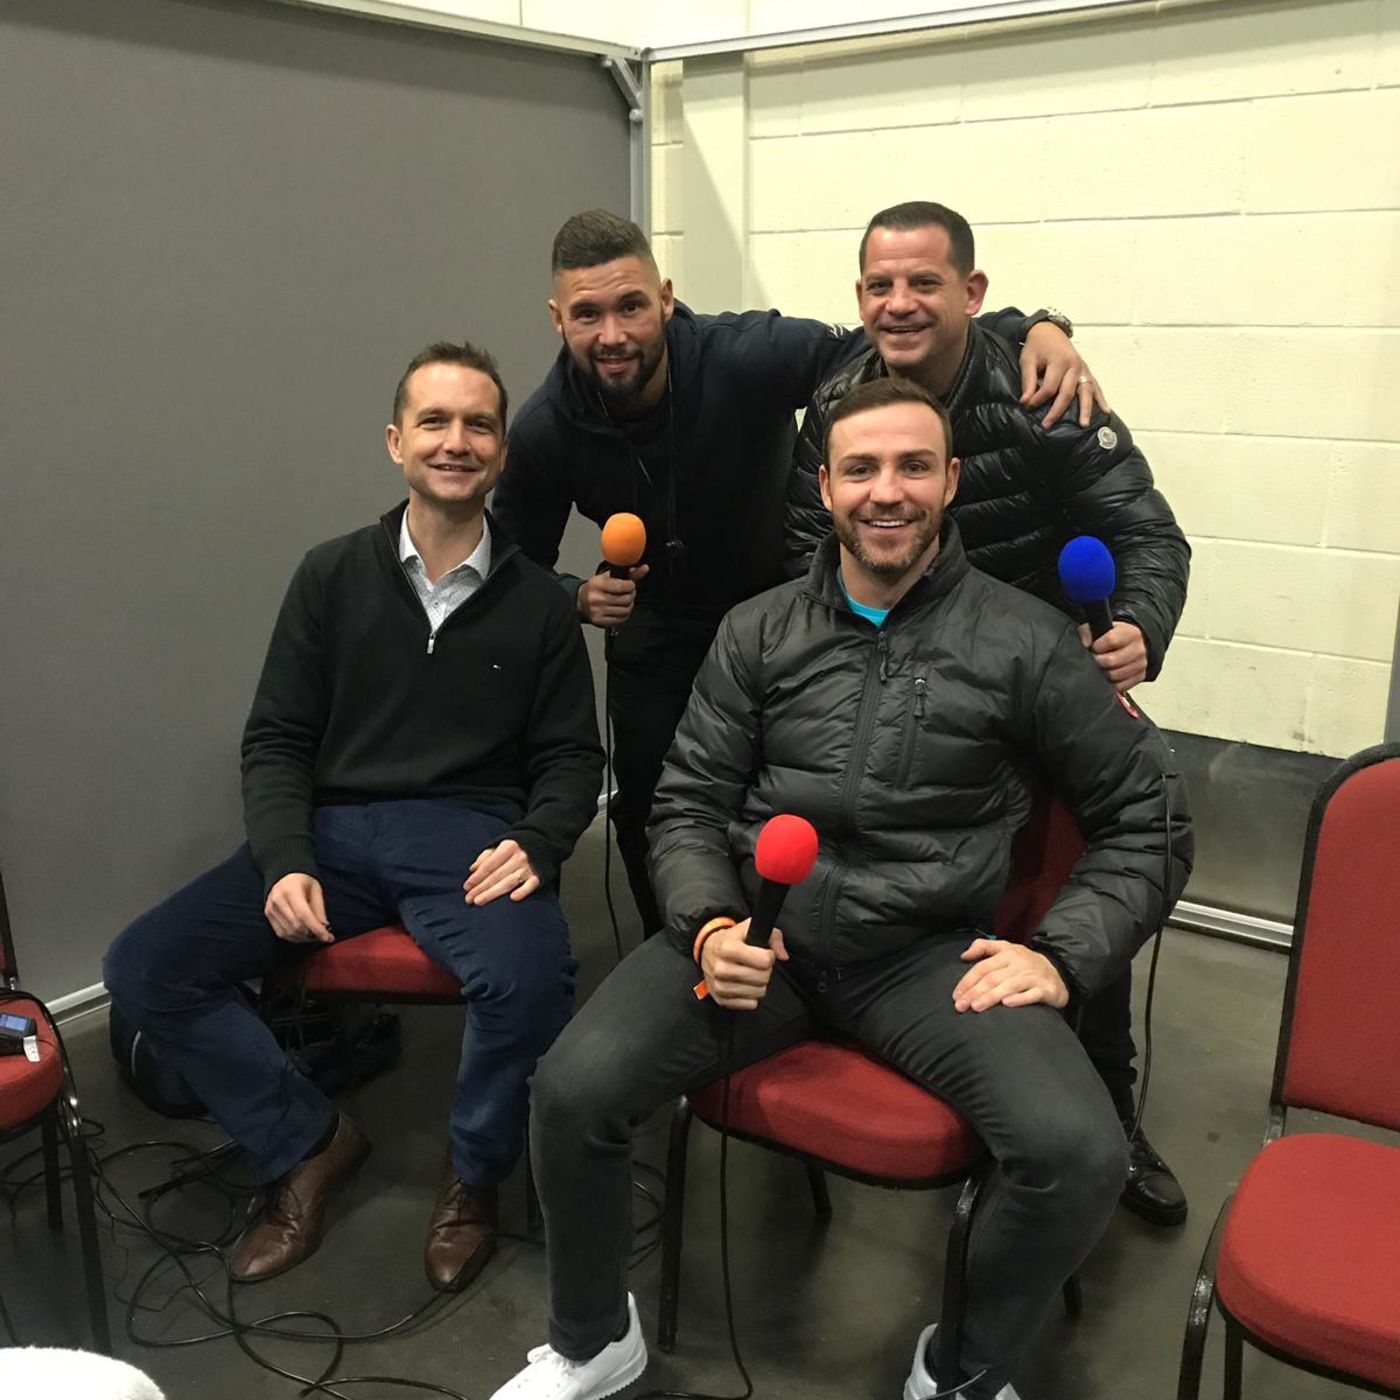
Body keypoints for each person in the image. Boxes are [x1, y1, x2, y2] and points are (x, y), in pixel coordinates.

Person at [489, 379, 1192, 1400]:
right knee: (569, 1090)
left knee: (1078, 1152)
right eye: (860, 468)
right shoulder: (757, 628)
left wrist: (1060, 954)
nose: (886, 491)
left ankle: (958, 1371)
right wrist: (708, 921)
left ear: (951, 481)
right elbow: (685, 802)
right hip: (758, 940)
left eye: (913, 466)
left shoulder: (1027, 640)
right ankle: (593, 1343)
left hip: (925, 957)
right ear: (824, 486)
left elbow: (1150, 819)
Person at [104, 341, 603, 1292]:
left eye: (479, 425)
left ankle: (475, 1173)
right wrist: (285, 855)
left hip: (467, 840)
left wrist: (539, 841)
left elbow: (573, 757)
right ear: (395, 441)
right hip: (332, 837)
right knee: (144, 967)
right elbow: (277, 738)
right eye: (434, 421)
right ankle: (307, 1141)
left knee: (532, 979)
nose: (456, 441)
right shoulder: (330, 576)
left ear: (502, 452)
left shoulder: (541, 603)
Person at [491, 208, 1102, 944]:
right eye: (587, 315)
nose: (613, 334)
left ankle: (796, 947)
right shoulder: (545, 428)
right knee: (656, 806)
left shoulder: (748, 353)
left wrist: (1033, 328)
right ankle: (689, 949)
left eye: (631, 306)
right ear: (557, 318)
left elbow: (891, 332)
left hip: (779, 616)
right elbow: (512, 562)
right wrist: (578, 596)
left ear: (667, 298)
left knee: (789, 796)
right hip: (659, 633)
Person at [785, 200, 1193, 1228]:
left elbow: (1148, 538)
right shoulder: (834, 401)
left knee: (1088, 872)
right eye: (880, 285)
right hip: (902, 689)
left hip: (1044, 686)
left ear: (970, 293)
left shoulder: (1046, 392)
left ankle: (1106, 1108)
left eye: (923, 283)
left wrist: (1140, 627)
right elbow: (802, 559)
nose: (899, 303)